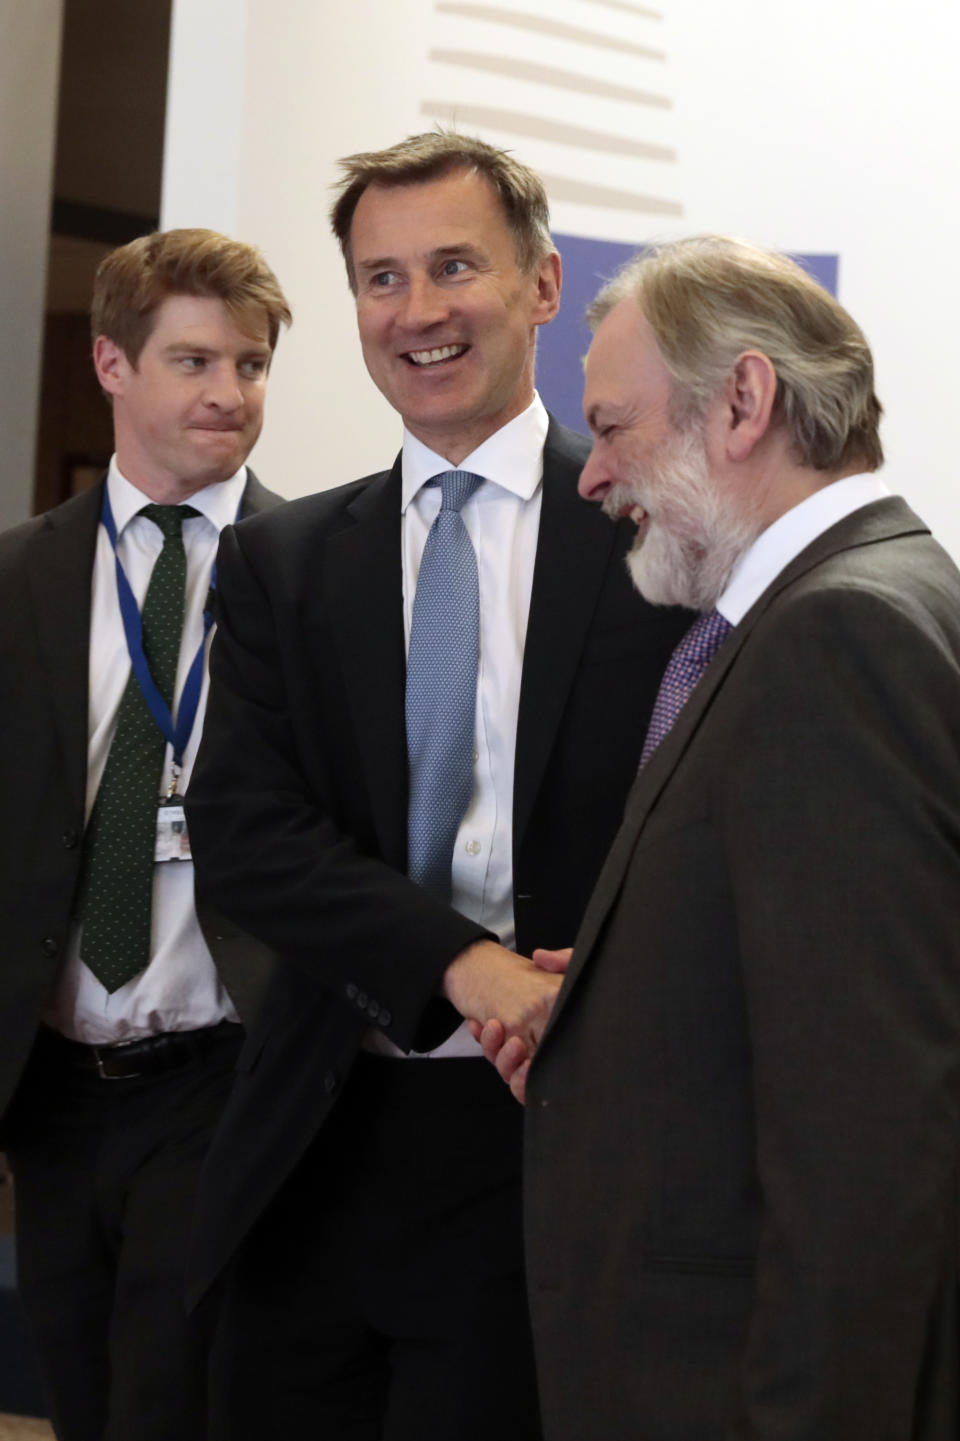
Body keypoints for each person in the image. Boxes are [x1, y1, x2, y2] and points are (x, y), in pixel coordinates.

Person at [184, 132, 690, 1440]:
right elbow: (246, 838)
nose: (416, 312)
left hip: (557, 1144)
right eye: (380, 278)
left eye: (453, 266)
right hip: (320, 1136)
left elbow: (710, 835)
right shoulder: (284, 559)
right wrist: (466, 965)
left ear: (541, 286)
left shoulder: (656, 536)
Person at [482, 235, 960, 1439]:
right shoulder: (859, 599)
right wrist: (616, 1013)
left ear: (743, 401)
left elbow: (867, 1124)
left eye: (613, 427)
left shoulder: (836, 637)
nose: (589, 479)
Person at [0, 227, 291, 1441]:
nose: (231, 393)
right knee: (76, 1398)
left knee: (171, 1406)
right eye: (195, 361)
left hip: (218, 1072)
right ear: (112, 364)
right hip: (50, 1084)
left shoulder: (319, 568)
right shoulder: (19, 574)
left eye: (253, 363)